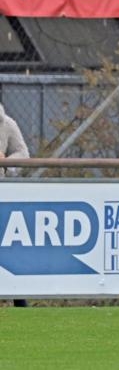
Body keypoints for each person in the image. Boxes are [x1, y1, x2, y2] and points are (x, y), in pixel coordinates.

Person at [0, 102, 30, 307]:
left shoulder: (7, 124)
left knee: (8, 247)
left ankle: (19, 298)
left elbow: (23, 155)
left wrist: (6, 161)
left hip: (2, 192)